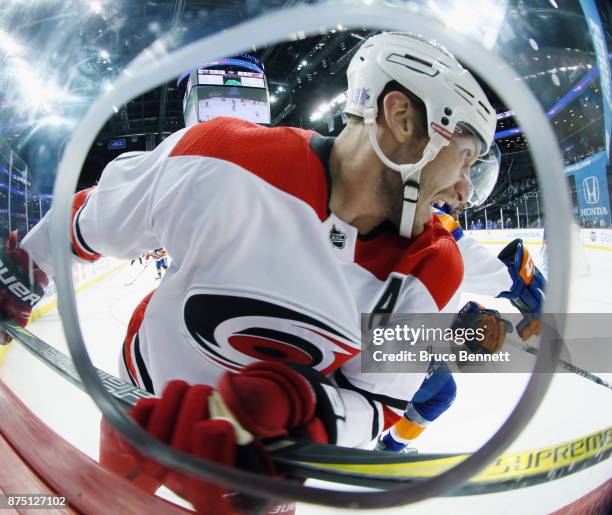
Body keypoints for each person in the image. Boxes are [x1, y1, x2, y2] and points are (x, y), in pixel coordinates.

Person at [2, 32, 498, 511]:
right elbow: (91, 219)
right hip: (146, 402)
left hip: (258, 460)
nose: (464, 192)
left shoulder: (437, 266)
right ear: (404, 119)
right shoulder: (221, 157)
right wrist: (23, 269)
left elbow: (380, 403)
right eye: (467, 160)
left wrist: (311, 423)